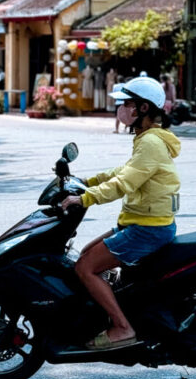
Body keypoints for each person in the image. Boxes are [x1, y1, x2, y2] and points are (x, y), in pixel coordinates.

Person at [61, 76, 181, 350]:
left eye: (126, 104)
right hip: (142, 222)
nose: (120, 110)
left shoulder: (150, 142)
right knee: (84, 257)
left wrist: (85, 198)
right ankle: (110, 309)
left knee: (85, 268)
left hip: (148, 228)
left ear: (143, 109)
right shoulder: (146, 139)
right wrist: (87, 182)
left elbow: (124, 183)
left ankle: (122, 327)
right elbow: (122, 172)